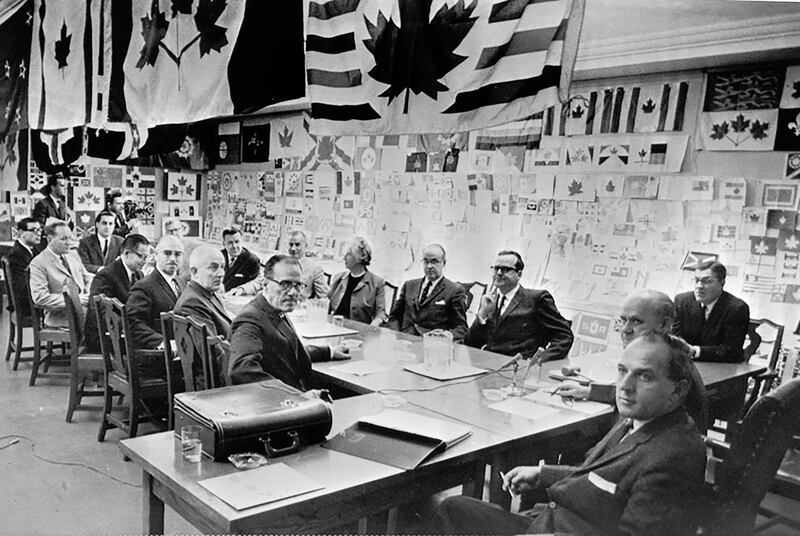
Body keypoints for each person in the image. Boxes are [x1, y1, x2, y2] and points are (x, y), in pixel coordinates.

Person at [427, 332, 707, 536]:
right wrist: (543, 474)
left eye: (644, 376)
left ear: (678, 390)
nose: (625, 386)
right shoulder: (642, 418)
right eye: (623, 371)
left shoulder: (673, 456)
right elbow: (601, 478)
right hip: (552, 521)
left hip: (559, 529)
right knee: (453, 508)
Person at [228, 255, 350, 391]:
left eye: (297, 285)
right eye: (285, 284)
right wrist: (296, 397)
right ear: (265, 284)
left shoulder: (275, 310)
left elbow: (286, 351)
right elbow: (241, 371)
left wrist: (329, 351)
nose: (292, 292)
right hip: (285, 404)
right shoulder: (250, 319)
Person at [464, 250, 573, 361]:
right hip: (487, 364)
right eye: (496, 268)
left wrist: (541, 359)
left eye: (505, 269)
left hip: (517, 368)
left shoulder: (537, 299)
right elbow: (470, 344)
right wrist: (482, 313)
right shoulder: (490, 300)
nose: (499, 273)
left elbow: (564, 336)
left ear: (519, 274)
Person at [385, 243, 468, 341]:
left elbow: (461, 328)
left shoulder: (454, 290)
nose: (429, 266)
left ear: (444, 263)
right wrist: (396, 335)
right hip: (403, 342)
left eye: (434, 262)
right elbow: (394, 317)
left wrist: (446, 335)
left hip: (431, 346)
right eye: (426, 261)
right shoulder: (409, 285)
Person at [84, 234, 150, 353]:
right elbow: (100, 311)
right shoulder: (105, 276)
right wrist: (130, 327)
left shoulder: (139, 274)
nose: (144, 261)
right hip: (104, 338)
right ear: (126, 253)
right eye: (140, 256)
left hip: (123, 332)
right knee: (153, 344)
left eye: (146, 257)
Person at [674, 260, 750, 363]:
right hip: (685, 364)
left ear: (722, 283)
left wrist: (695, 351)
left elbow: (732, 350)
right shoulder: (682, 301)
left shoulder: (737, 308)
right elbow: (674, 337)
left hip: (721, 368)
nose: (699, 286)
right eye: (696, 280)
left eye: (707, 281)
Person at [28, 220, 92, 328]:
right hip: (60, 317)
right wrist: (76, 300)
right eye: (63, 239)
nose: (69, 243)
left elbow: (86, 278)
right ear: (49, 239)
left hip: (84, 310)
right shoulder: (39, 263)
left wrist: (89, 292)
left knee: (114, 319)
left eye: (70, 238)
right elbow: (40, 298)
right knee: (107, 325)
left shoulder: (73, 254)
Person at [126, 235, 185, 350]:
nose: (173, 258)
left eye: (177, 254)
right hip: (159, 354)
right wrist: (161, 342)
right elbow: (132, 322)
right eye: (167, 253)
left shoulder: (181, 282)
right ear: (156, 256)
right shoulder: (144, 286)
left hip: (182, 349)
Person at [174, 246, 233, 340]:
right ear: (195, 272)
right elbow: (212, 350)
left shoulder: (207, 293)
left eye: (222, 267)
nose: (221, 274)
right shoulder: (191, 302)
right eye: (213, 268)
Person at [328, 237, 386, 326]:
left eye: (349, 254)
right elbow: (326, 304)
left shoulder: (377, 283)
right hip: (335, 328)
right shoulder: (339, 278)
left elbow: (380, 314)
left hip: (360, 332)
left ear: (362, 257)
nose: (344, 257)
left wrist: (373, 327)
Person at [6, 218, 42, 320]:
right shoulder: (16, 255)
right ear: (21, 232)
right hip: (26, 306)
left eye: (40, 230)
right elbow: (22, 287)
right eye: (34, 230)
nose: (39, 233)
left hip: (32, 298)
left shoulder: (33, 249)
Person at [286, 229, 329, 299]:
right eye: (291, 245)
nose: (293, 248)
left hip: (299, 306)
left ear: (305, 246)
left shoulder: (314, 268)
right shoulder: (281, 263)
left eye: (297, 244)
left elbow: (323, 296)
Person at [32, 171, 71, 245]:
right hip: (46, 244)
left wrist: (69, 217)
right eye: (62, 186)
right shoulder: (42, 204)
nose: (65, 189)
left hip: (60, 244)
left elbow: (70, 227)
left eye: (66, 186)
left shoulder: (64, 205)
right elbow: (39, 227)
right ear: (53, 187)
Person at [220, 227, 260, 292]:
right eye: (230, 243)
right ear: (224, 244)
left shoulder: (251, 260)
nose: (234, 246)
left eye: (237, 242)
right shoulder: (219, 256)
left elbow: (255, 283)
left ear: (242, 241)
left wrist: (241, 290)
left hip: (239, 298)